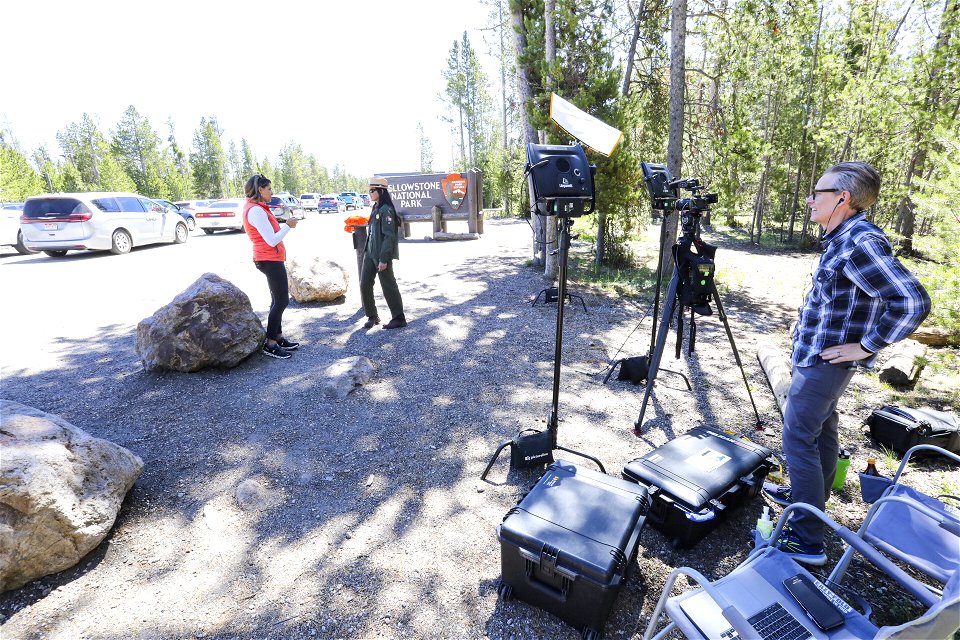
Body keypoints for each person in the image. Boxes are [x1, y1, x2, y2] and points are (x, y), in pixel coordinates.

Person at [763, 161, 930, 565]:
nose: (809, 199)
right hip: (817, 357)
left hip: (825, 365)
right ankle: (810, 502)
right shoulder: (842, 237)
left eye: (817, 192)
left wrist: (867, 346)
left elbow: (912, 301)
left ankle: (807, 539)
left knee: (797, 437)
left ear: (842, 198)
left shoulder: (859, 241)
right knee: (820, 432)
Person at [242, 173, 301, 359]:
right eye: (269, 188)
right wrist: (288, 225)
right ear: (260, 190)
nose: (272, 192)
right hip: (269, 259)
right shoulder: (256, 211)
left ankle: (278, 336)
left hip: (269, 258)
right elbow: (271, 239)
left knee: (277, 299)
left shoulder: (257, 208)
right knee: (282, 300)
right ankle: (270, 343)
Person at [360, 176, 406, 329]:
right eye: (369, 190)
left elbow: (389, 236)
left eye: (372, 190)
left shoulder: (386, 210)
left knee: (388, 285)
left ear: (381, 191)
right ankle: (372, 315)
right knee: (364, 284)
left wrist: (384, 259)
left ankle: (399, 317)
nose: (370, 193)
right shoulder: (376, 207)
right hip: (370, 252)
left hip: (381, 255)